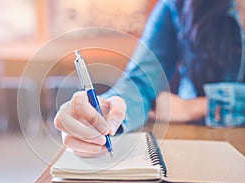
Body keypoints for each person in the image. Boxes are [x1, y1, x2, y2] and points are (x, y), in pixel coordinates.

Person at [54, 0, 245, 157]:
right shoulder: (177, 5)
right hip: (200, 144)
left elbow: (191, 106)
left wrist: (199, 106)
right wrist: (108, 111)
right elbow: (141, 83)